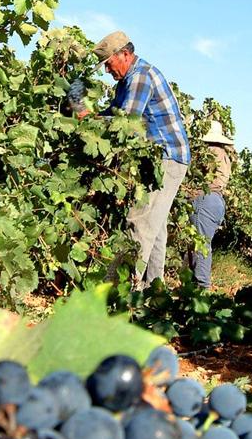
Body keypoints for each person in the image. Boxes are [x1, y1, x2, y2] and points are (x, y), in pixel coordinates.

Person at [73, 31, 191, 288]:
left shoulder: (140, 77)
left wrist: (85, 117)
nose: (106, 71)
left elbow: (124, 123)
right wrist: (85, 112)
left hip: (167, 157)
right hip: (156, 159)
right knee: (156, 228)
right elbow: (110, 113)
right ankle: (153, 292)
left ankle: (121, 293)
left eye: (108, 64)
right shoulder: (125, 82)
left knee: (139, 224)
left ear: (124, 54)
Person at [188, 120, 234, 289]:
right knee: (200, 243)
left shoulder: (209, 151)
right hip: (217, 202)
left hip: (204, 200)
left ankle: (202, 288)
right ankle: (196, 286)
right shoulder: (224, 154)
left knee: (200, 245)